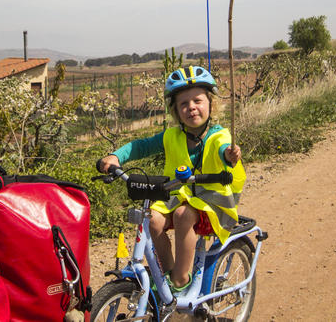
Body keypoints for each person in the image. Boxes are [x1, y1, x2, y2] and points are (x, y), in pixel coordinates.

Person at [97, 65, 245, 293]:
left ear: (210, 104)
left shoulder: (219, 135)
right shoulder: (171, 135)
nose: (191, 108)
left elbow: (224, 150)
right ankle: (168, 275)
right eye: (183, 104)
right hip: (179, 196)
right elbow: (141, 146)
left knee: (183, 215)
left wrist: (229, 155)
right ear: (176, 111)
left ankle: (179, 280)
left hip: (212, 201)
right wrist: (116, 156)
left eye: (197, 100)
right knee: (152, 219)